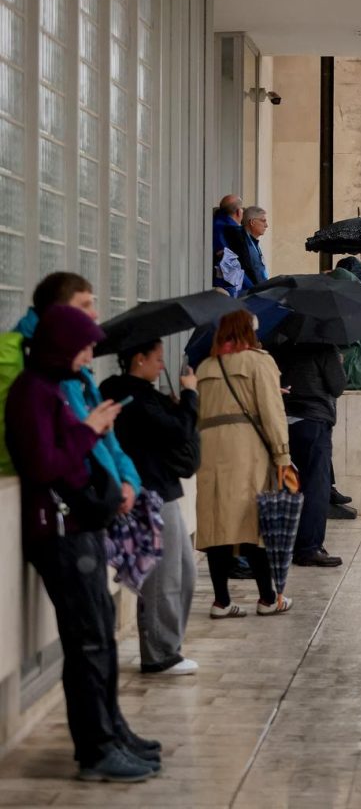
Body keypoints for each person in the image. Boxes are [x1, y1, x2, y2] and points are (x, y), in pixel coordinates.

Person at [6, 305, 160, 782]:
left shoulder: (54, 389)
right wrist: (88, 431)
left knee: (102, 638)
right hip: (58, 533)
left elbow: (65, 448)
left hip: (80, 531)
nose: (92, 354)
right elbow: (44, 465)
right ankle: (95, 749)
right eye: (85, 345)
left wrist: (93, 427)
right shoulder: (31, 392)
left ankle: (111, 731)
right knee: (88, 642)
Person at [100, 339, 200, 676]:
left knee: (185, 571)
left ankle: (167, 645)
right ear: (138, 359)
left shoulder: (142, 394)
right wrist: (189, 396)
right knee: (165, 576)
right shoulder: (132, 396)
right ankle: (160, 653)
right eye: (156, 359)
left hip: (163, 488)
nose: (162, 366)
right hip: (151, 490)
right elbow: (179, 431)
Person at [14, 273, 142, 519]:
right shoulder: (36, 370)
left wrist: (127, 480)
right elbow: (53, 452)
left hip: (97, 500)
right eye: (85, 305)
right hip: (70, 509)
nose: (94, 314)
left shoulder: (74, 367)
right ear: (57, 312)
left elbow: (103, 439)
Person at [194, 310, 292, 616]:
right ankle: (268, 598)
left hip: (210, 453)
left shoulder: (206, 366)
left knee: (217, 525)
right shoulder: (259, 361)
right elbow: (272, 414)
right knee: (254, 522)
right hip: (248, 451)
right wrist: (282, 456)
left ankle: (221, 601)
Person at [270, 340, 346, 567]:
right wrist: (338, 364)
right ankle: (309, 548)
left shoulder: (280, 344)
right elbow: (338, 387)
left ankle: (286, 544)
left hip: (283, 421)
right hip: (313, 422)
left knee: (289, 484)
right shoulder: (324, 346)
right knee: (316, 487)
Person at [212, 195, 246, 296]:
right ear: (239, 212)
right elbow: (232, 264)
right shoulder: (233, 231)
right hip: (228, 285)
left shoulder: (215, 224)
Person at [239, 205, 270, 288]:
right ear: (252, 222)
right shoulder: (242, 243)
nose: (266, 225)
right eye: (263, 221)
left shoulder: (253, 242)